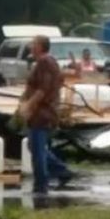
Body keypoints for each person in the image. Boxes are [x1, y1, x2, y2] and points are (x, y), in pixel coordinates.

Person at [20, 35, 73, 194]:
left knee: (37, 149)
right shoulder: (45, 63)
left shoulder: (45, 62)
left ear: (41, 46)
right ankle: (62, 171)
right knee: (34, 145)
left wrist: (29, 105)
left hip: (42, 112)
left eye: (33, 44)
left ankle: (41, 185)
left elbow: (43, 89)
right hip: (41, 110)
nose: (30, 46)